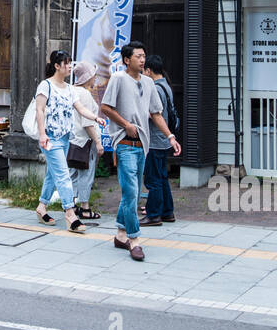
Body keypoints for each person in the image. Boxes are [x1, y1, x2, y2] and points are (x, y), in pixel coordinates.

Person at [100, 41, 174, 261]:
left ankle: (121, 234)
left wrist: (170, 136)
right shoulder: (118, 79)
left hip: (143, 145)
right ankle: (134, 240)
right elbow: (105, 107)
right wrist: (126, 125)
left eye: (144, 56)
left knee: (130, 193)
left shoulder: (150, 84)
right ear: (126, 60)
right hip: (124, 144)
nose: (142, 60)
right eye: (138, 56)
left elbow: (156, 114)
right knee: (131, 193)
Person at [34, 50, 105, 235]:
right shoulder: (45, 85)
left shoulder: (70, 89)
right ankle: (70, 214)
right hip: (50, 138)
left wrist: (96, 118)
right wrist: (42, 134)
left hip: (65, 138)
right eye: (66, 64)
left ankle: (42, 207)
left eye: (70, 63)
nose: (69, 67)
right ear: (57, 66)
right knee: (64, 175)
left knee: (52, 174)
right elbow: (39, 111)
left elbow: (80, 109)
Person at [143, 55, 181, 224]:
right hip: (163, 139)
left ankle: (153, 214)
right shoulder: (165, 85)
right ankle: (167, 211)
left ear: (148, 71)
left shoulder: (156, 89)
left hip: (155, 139)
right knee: (162, 176)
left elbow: (153, 114)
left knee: (153, 178)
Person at [65, 60, 103, 221]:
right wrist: (98, 142)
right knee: (86, 175)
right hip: (86, 141)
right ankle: (85, 208)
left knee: (72, 173)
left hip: (72, 140)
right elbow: (88, 123)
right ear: (87, 76)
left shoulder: (70, 91)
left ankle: (71, 205)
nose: (95, 78)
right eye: (93, 75)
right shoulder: (85, 94)